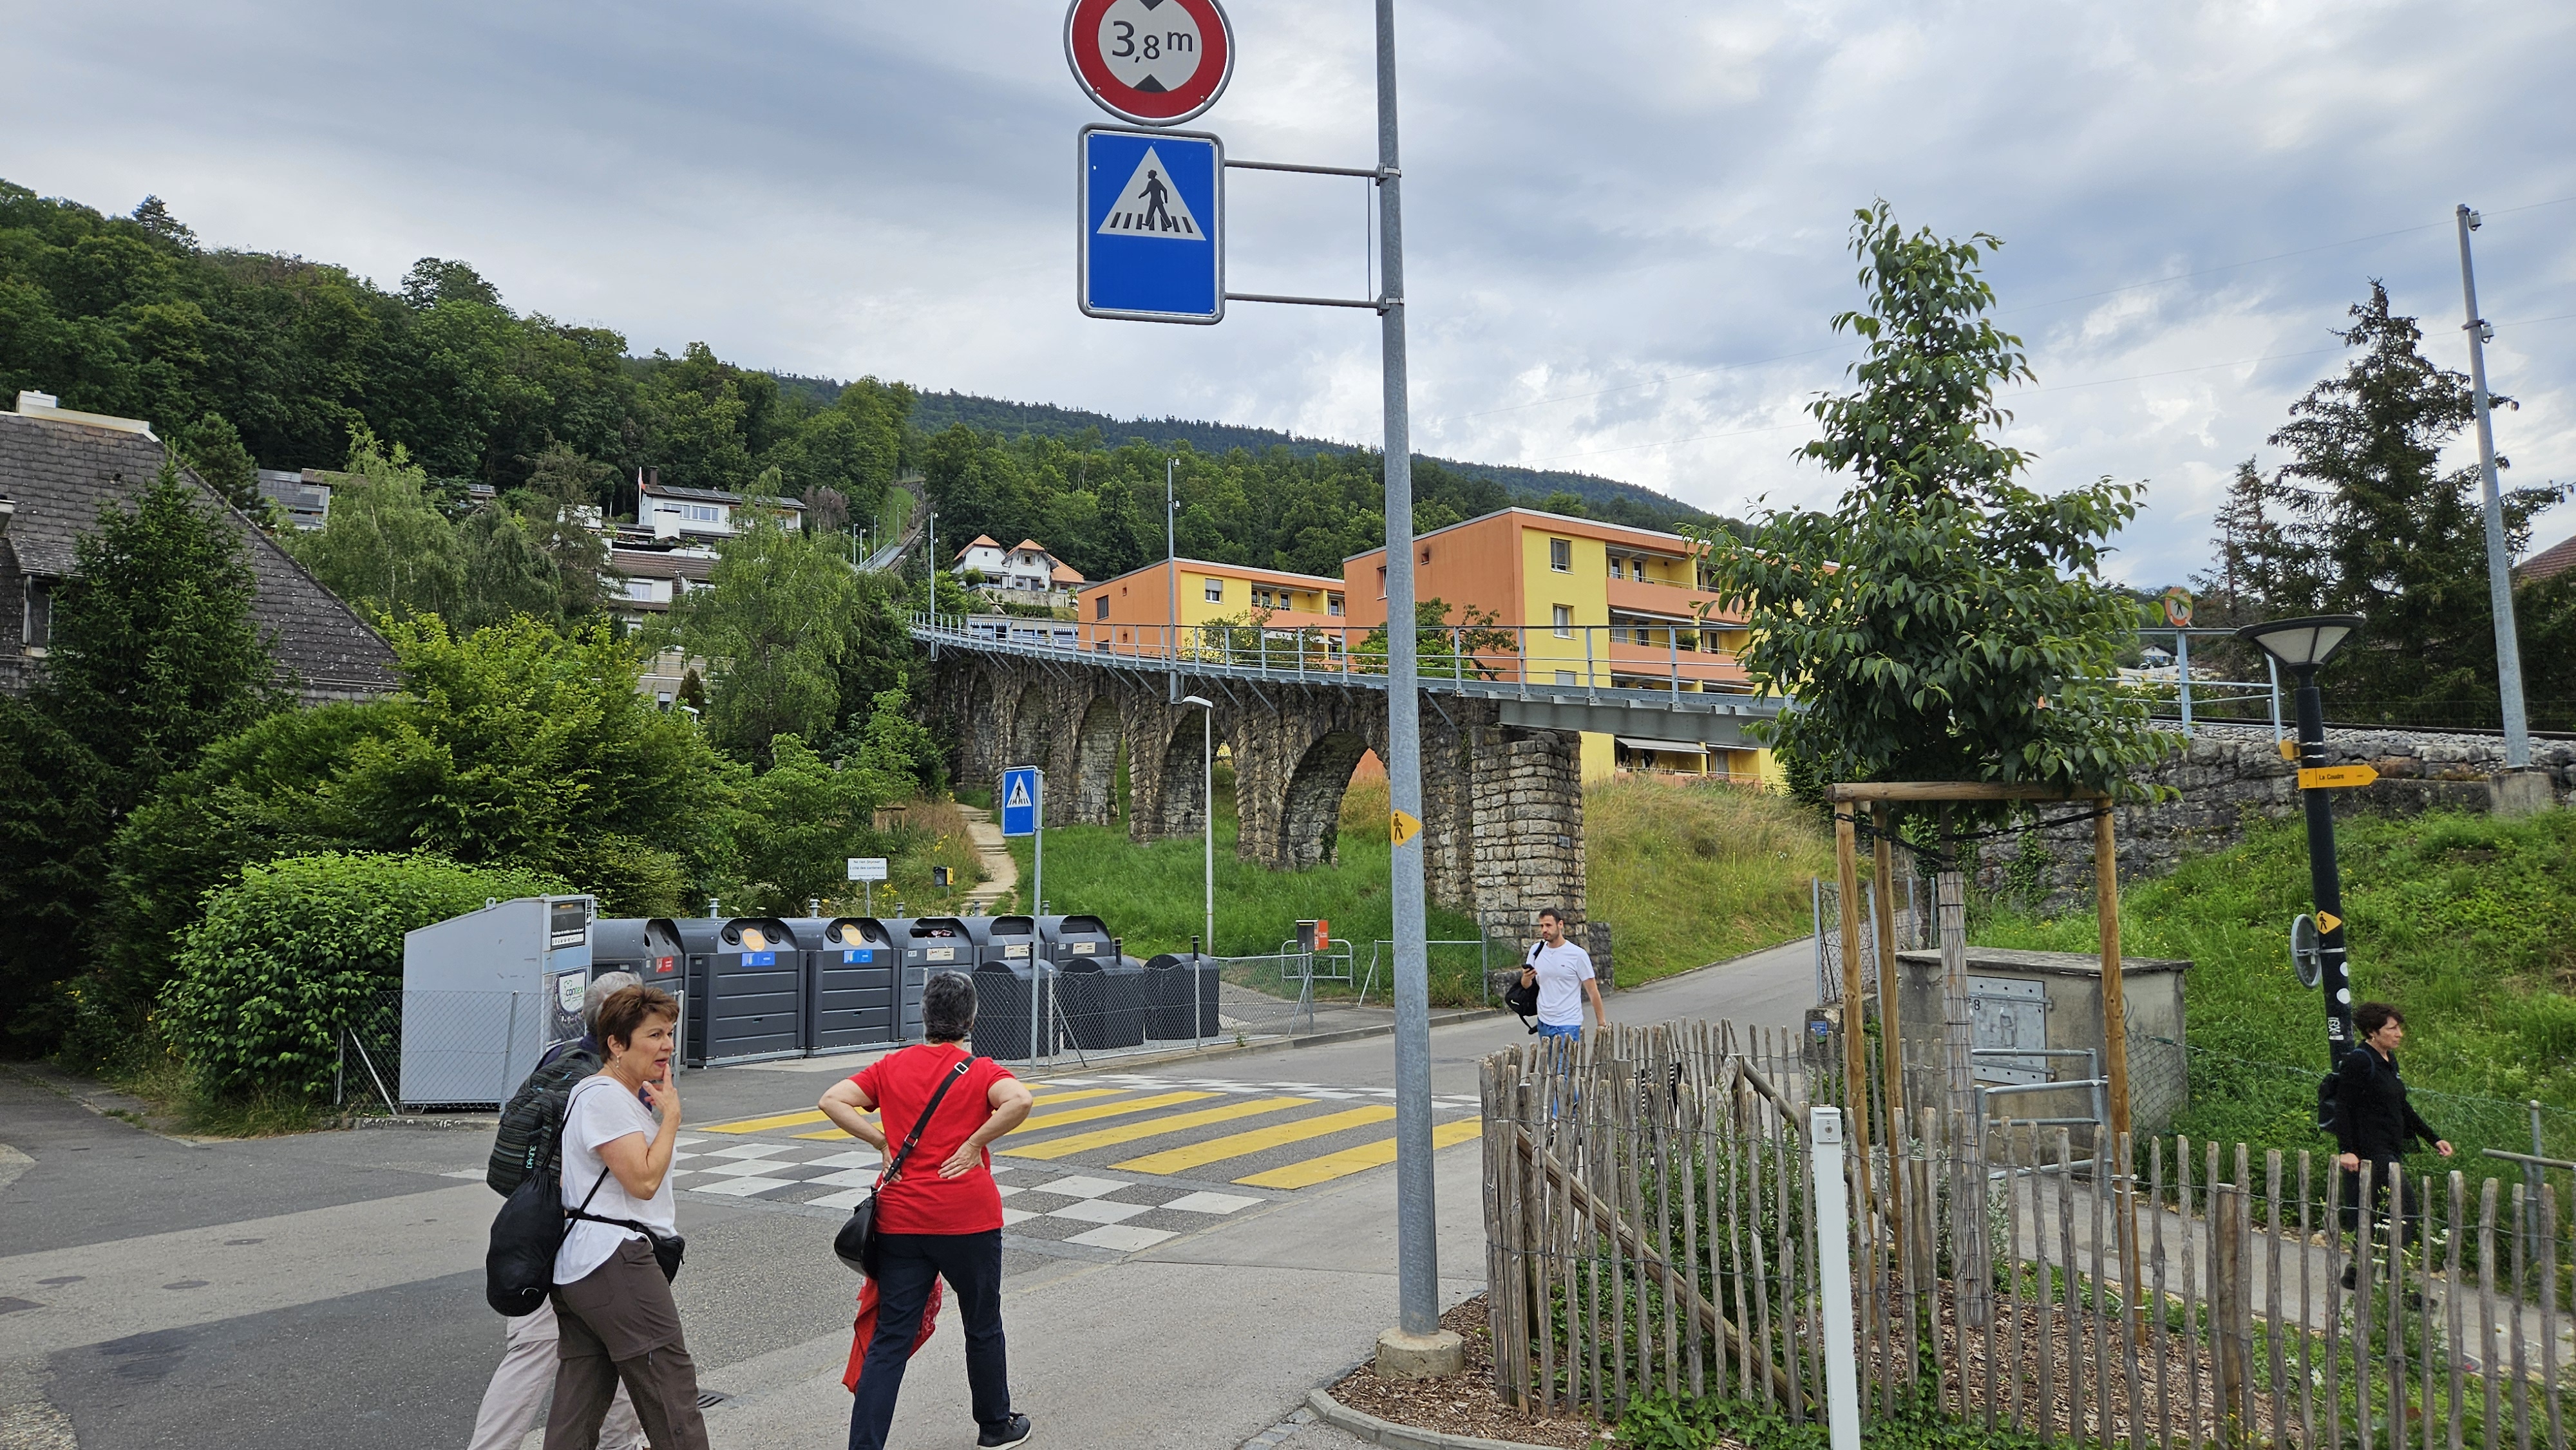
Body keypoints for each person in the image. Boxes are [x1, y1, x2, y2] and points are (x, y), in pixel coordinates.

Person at [819, 972, 1037, 1450]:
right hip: (968, 1220)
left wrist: (881, 1141)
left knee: (891, 1337)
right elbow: (1020, 1100)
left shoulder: (891, 1067)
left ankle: (865, 1446)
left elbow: (832, 1100)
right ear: (971, 1019)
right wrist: (975, 1143)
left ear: (924, 1017)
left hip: (901, 1221)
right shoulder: (981, 1071)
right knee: (982, 1323)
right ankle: (994, 1426)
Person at [469, 973, 646, 1450]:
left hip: (536, 1220)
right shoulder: (612, 1082)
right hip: (588, 1231)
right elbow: (634, 1172)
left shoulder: (556, 1055)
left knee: (598, 1339)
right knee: (605, 1340)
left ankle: (617, 1440)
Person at [547, 984, 708, 1450]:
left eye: (670, 1033)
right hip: (615, 1261)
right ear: (616, 1043)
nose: (668, 1046)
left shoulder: (607, 1094)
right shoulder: (605, 1097)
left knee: (579, 1404)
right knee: (671, 1390)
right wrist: (671, 1118)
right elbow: (643, 1181)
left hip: (583, 1265)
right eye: (654, 1035)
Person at [2331, 1001, 2453, 1288]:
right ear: (2373, 1032)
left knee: (2374, 1213)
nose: (2399, 1034)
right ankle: (2398, 1282)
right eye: (2392, 1029)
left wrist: (2433, 1138)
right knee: (2404, 1209)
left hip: (2389, 1147)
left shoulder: (2387, 1059)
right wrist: (2347, 1150)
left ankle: (2355, 1274)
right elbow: (2343, 1107)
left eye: (2399, 1028)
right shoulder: (2360, 1061)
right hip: (2371, 1152)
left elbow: (2402, 1106)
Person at [1519, 907, 1608, 1041]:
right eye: (1542, 926)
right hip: (1544, 1021)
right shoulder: (1536, 951)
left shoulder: (1577, 955)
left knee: (1562, 1056)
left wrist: (1601, 1023)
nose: (1544, 930)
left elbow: (1592, 990)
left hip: (1568, 1022)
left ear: (1560, 924)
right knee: (1547, 1056)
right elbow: (1526, 986)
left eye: (1548, 925)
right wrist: (1526, 977)